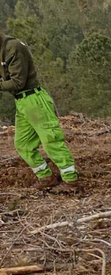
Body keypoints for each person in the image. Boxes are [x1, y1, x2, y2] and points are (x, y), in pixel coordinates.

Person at [0, 31, 77, 189]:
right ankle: (46, 177)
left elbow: (17, 82)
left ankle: (71, 180)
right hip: (22, 102)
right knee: (23, 144)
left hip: (34, 99)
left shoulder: (12, 47)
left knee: (51, 140)